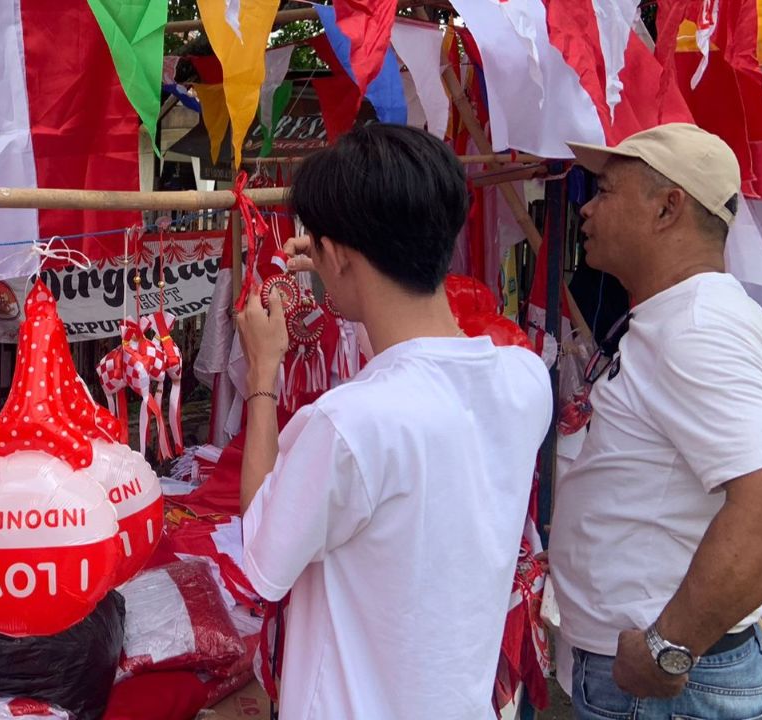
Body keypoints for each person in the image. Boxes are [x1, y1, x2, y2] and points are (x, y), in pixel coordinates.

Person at [235, 123, 553, 718]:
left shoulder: (348, 423)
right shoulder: (524, 379)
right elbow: (418, 355)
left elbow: (264, 550)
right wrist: (345, 274)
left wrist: (262, 375)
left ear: (337, 255)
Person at [550, 123, 762, 719]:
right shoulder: (690, 318)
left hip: (668, 690)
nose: (586, 208)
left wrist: (669, 647)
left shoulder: (698, 330)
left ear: (668, 208)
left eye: (607, 190)